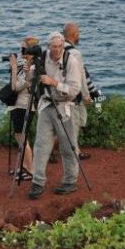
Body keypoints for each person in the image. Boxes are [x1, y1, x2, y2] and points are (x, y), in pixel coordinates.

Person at [29, 32, 82, 199]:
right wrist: (29, 72)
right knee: (41, 145)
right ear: (48, 47)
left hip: (65, 107)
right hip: (46, 105)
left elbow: (74, 90)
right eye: (55, 47)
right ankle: (37, 182)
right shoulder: (42, 58)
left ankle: (70, 181)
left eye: (61, 46)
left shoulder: (71, 61)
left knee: (68, 146)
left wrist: (54, 83)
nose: (58, 50)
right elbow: (32, 80)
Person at [8, 36, 39, 181]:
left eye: (22, 48)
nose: (20, 51)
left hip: (24, 106)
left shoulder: (32, 68)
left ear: (29, 50)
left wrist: (14, 69)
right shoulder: (25, 65)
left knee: (22, 138)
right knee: (19, 136)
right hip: (18, 106)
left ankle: (30, 169)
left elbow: (15, 87)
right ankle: (25, 166)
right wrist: (15, 68)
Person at [63, 22, 92, 160]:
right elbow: (81, 76)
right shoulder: (75, 53)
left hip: (60, 91)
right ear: (74, 35)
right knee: (77, 121)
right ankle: (75, 152)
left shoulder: (57, 49)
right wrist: (86, 95)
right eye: (78, 33)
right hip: (74, 93)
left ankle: (74, 149)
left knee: (66, 122)